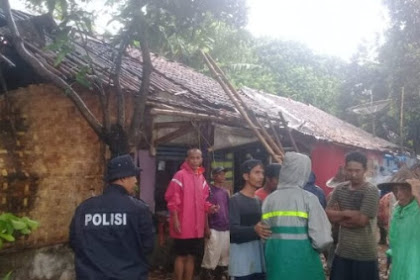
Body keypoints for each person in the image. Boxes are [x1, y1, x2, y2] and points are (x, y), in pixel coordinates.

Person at [69, 154, 154, 280]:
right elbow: (148, 246)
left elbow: (74, 241)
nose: (136, 181)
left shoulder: (84, 208)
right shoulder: (139, 209)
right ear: (123, 179)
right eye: (133, 176)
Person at [262, 152, 332, 280]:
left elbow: (264, 235)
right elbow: (323, 240)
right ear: (304, 172)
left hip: (277, 264)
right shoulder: (309, 199)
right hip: (305, 263)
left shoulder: (269, 200)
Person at [326, 151, 380, 280]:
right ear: (345, 169)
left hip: (364, 254)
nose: (353, 174)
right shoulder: (339, 189)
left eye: (357, 170)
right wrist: (347, 214)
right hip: (342, 251)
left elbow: (362, 221)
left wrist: (338, 217)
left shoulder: (371, 190)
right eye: (350, 170)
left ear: (365, 170)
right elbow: (327, 214)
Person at [165, 148, 217, 280]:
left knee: (191, 256)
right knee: (181, 256)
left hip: (196, 226)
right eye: (192, 158)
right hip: (183, 224)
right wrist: (175, 220)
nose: (195, 160)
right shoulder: (179, 175)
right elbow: (172, 199)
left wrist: (210, 208)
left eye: (198, 158)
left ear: (201, 160)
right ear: (187, 159)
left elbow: (204, 201)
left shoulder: (201, 178)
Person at [229, 159, 269, 280]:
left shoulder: (259, 201)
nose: (261, 176)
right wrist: (254, 230)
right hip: (241, 260)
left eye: (262, 173)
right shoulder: (235, 200)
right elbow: (232, 231)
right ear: (246, 176)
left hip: (259, 258)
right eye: (256, 172)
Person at [378, 168, 420, 280]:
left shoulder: (417, 209)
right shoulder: (397, 210)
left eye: (404, 188)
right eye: (395, 190)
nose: (398, 194)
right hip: (399, 266)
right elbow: (394, 241)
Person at [201, 167, 230, 280]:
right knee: (211, 254)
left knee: (224, 254)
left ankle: (220, 275)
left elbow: (228, 209)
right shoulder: (209, 191)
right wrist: (206, 227)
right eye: (219, 174)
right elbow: (205, 210)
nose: (222, 177)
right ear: (214, 176)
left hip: (225, 227)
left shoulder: (225, 192)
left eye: (223, 174)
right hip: (214, 226)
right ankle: (207, 275)